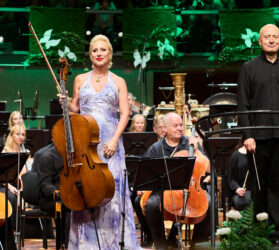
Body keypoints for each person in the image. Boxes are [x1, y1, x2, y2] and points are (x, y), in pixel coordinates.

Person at [58, 34, 140, 249]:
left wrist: (114, 140)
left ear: (110, 53)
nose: (99, 54)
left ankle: (113, 243)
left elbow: (124, 114)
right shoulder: (79, 79)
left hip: (109, 144)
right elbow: (76, 109)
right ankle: (87, 244)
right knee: (87, 190)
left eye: (103, 50)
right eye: (95, 50)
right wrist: (65, 102)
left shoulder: (119, 81)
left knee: (110, 192)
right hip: (85, 144)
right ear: (91, 55)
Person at [237, 23, 279, 244]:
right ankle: (259, 233)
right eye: (266, 37)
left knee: (278, 185)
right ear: (259, 41)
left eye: (275, 36)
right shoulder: (248, 68)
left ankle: (277, 235)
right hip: (257, 138)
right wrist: (247, 135)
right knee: (259, 186)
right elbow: (242, 106)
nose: (271, 40)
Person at [142, 112, 211, 249]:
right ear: (164, 129)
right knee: (151, 204)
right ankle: (161, 243)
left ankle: (196, 244)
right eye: (175, 126)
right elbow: (145, 172)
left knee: (209, 202)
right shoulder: (156, 148)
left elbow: (208, 168)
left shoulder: (190, 143)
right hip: (164, 190)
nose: (179, 128)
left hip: (190, 189)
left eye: (180, 125)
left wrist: (196, 151)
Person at [31, 142, 70, 248]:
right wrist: (59, 193)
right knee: (68, 207)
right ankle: (68, 244)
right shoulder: (46, 157)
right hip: (49, 198)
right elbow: (45, 185)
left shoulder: (75, 155)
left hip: (69, 195)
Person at [227, 142, 251, 211]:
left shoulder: (258, 154)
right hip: (241, 191)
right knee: (242, 201)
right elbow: (231, 178)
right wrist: (237, 189)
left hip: (255, 190)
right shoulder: (235, 155)